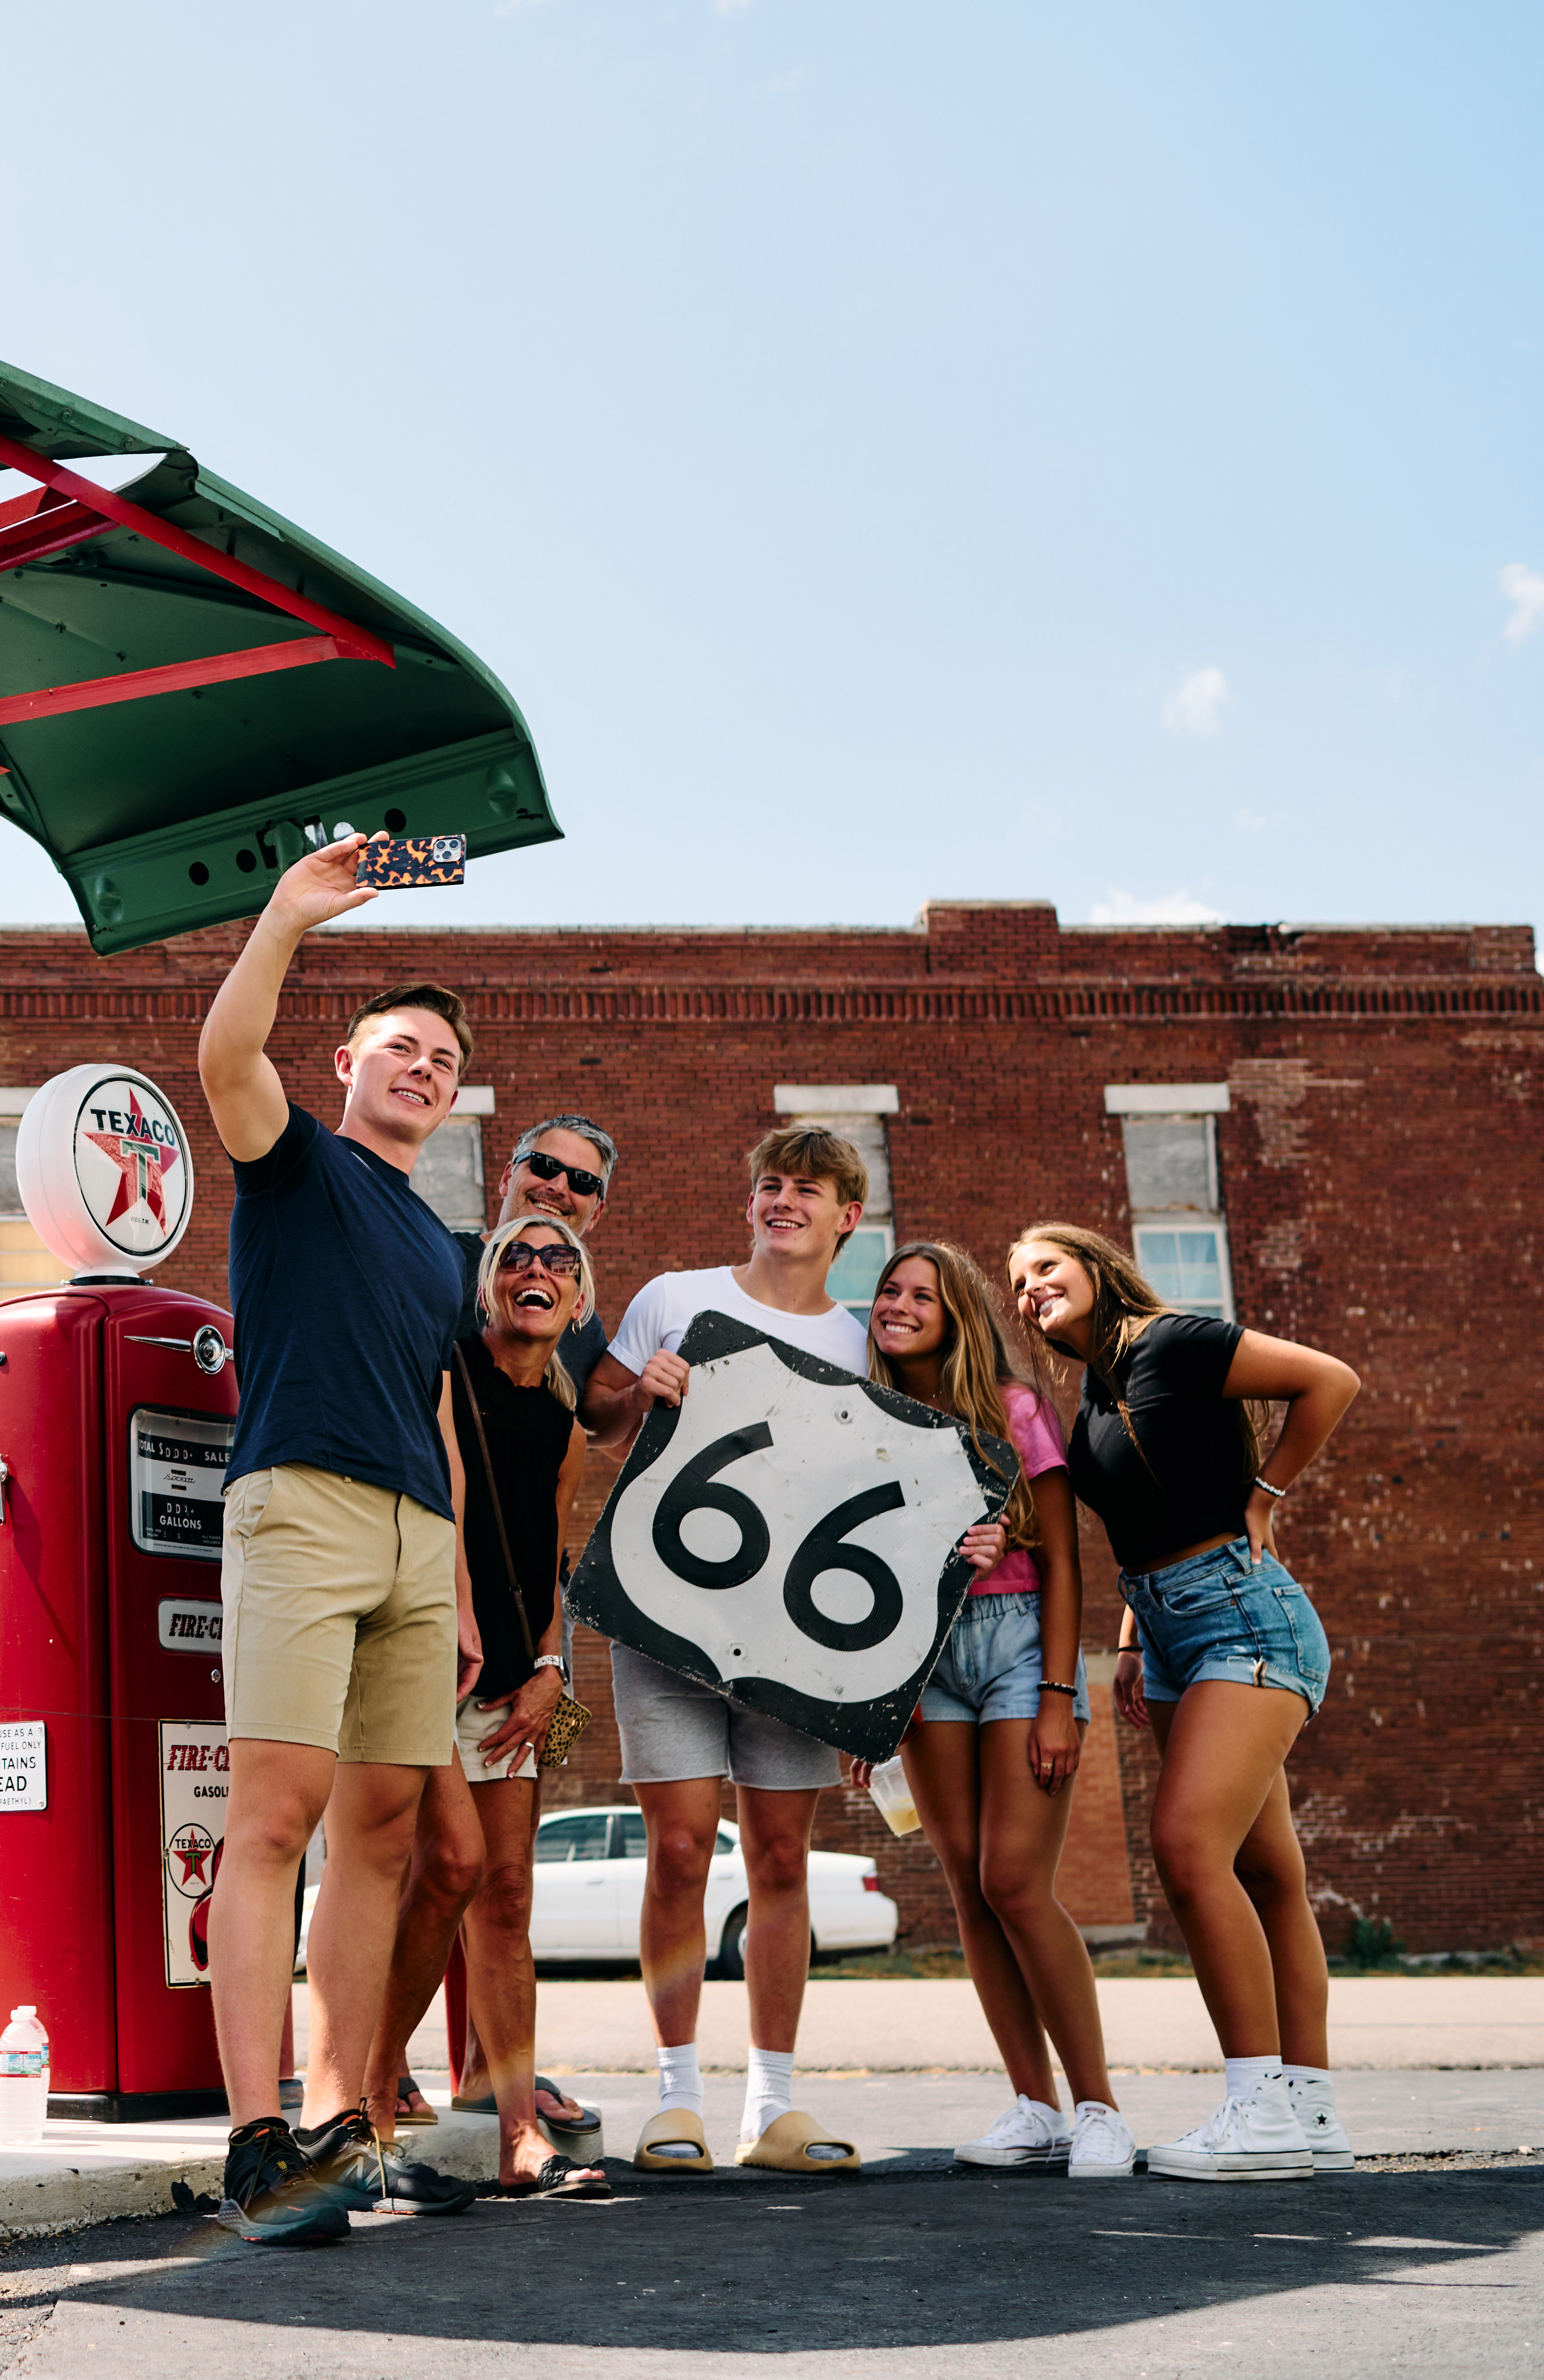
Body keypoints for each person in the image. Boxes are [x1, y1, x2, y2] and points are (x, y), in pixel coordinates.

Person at [192, 834, 485, 2243]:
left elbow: (434, 1402)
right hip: (297, 1503)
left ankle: (335, 2124)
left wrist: (462, 1579)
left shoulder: (442, 1244)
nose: (421, 1068)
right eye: (400, 1047)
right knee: (274, 1818)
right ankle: (253, 2142)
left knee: (380, 1833)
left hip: (415, 1544)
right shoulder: (295, 1157)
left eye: (440, 1059)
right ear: (352, 1061)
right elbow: (223, 1054)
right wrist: (289, 914)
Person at [1010, 1225, 1364, 2184]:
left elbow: (1330, 1377)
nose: (1031, 1284)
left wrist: (1266, 1494)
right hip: (1165, 1631)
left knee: (1186, 1845)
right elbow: (1137, 1513)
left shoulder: (1173, 1339)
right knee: (1267, 1866)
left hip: (1245, 1615)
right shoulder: (1092, 1389)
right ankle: (1310, 2106)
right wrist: (1131, 1637)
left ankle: (1255, 2104)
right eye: (1018, 1280)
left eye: (1046, 1265)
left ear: (1094, 1266)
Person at [576, 1126, 881, 2174]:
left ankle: (774, 2107)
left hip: (798, 1633)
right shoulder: (676, 1296)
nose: (781, 1202)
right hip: (667, 1611)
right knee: (677, 1844)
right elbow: (594, 1420)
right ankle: (674, 2101)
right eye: (769, 1185)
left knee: (781, 1858)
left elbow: (889, 1501)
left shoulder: (864, 1344)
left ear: (849, 1216)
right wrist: (637, 1393)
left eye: (807, 1190)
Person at [851, 1241, 1134, 2179]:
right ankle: (1035, 2105)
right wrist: (865, 1704)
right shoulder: (868, 1422)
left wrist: (1061, 1695)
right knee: (969, 1888)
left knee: (1015, 1878)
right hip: (923, 1661)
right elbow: (856, 1578)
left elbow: (1064, 1557)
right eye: (888, 1288)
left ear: (957, 1310)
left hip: (1017, 1645)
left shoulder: (1014, 1409)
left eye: (919, 1293)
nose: (896, 1303)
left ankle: (1101, 2106)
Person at [367, 1211, 613, 2196]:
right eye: (518, 1254)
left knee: (506, 1896)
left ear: (580, 1300)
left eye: (561, 1260)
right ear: (488, 1287)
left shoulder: (562, 1428)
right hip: (427, 1666)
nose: (539, 1269)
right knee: (439, 1875)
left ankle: (519, 2135)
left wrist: (555, 1667)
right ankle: (370, 2104)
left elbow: (552, 1564)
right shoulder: (443, 1373)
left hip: (514, 1685)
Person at [453, 1116, 621, 1398]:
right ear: (507, 1178)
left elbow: (594, 1426)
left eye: (582, 1181)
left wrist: (639, 1394)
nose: (558, 1186)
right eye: (544, 1166)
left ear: (596, 1214)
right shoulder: (439, 1258)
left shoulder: (585, 1328)